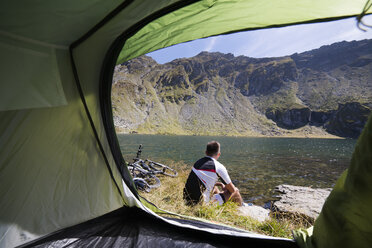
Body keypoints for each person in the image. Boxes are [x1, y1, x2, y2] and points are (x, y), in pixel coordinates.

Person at [183, 141, 244, 206]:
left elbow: (203, 181)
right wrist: (226, 190)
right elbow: (232, 190)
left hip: (186, 200)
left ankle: (221, 203)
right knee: (236, 191)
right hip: (202, 204)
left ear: (206, 152)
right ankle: (241, 209)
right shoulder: (219, 167)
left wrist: (220, 184)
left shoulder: (197, 163)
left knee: (214, 188)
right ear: (219, 154)